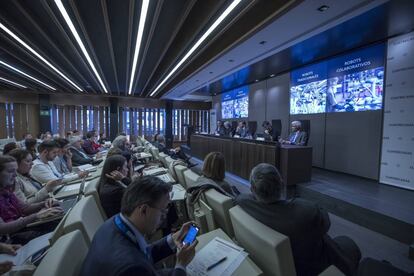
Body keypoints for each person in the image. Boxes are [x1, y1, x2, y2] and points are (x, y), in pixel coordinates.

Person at [236, 163, 361, 276]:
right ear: (282, 183)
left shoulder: (243, 202)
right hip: (312, 267)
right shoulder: (306, 211)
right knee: (348, 243)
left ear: (252, 189)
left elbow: (243, 197)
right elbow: (325, 225)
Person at [81, 176, 198, 276]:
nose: (164, 217)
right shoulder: (131, 267)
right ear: (143, 210)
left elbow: (143, 252)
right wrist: (181, 264)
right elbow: (137, 263)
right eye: (162, 211)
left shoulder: (112, 223)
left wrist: (173, 239)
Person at [0, 155, 63, 244]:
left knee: (59, 218)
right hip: (11, 237)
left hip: (21, 227)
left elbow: (25, 208)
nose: (14, 175)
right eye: (10, 171)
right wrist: (36, 216)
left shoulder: (6, 190)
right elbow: (2, 228)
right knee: (58, 230)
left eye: (15, 170)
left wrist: (45, 203)